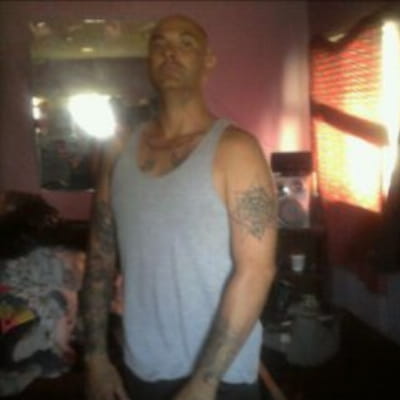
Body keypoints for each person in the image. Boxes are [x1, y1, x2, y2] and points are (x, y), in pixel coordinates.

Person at [83, 14, 277, 400]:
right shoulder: (117, 152)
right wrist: (95, 358)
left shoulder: (237, 150)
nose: (170, 52)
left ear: (208, 60)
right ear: (148, 60)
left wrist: (204, 382)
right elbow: (100, 260)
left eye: (186, 43)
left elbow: (257, 270)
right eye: (159, 43)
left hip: (221, 378)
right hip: (143, 367)